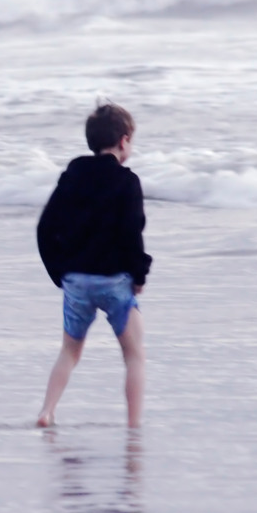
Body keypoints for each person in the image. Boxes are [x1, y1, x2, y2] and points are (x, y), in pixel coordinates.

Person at [35, 102, 152, 428]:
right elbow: (131, 232)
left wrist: (59, 272)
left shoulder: (71, 176)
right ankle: (133, 426)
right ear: (125, 140)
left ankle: (47, 411)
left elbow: (45, 228)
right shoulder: (127, 182)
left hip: (76, 280)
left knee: (69, 352)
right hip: (114, 281)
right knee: (134, 354)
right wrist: (139, 274)